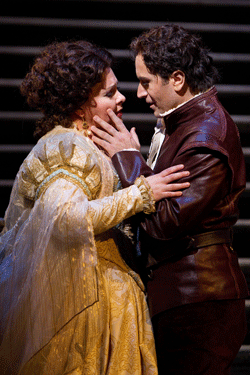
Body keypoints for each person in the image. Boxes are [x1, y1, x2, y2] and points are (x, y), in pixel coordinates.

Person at [0, 40, 191, 375]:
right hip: (87, 303)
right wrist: (141, 193)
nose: (121, 99)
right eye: (109, 93)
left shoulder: (86, 144)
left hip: (104, 294)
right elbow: (65, 219)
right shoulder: (67, 146)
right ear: (79, 107)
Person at [90, 25, 249, 375]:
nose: (140, 93)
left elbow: (167, 220)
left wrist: (130, 159)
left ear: (176, 79)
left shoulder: (206, 133)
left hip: (199, 300)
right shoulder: (182, 123)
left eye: (146, 82)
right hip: (182, 296)